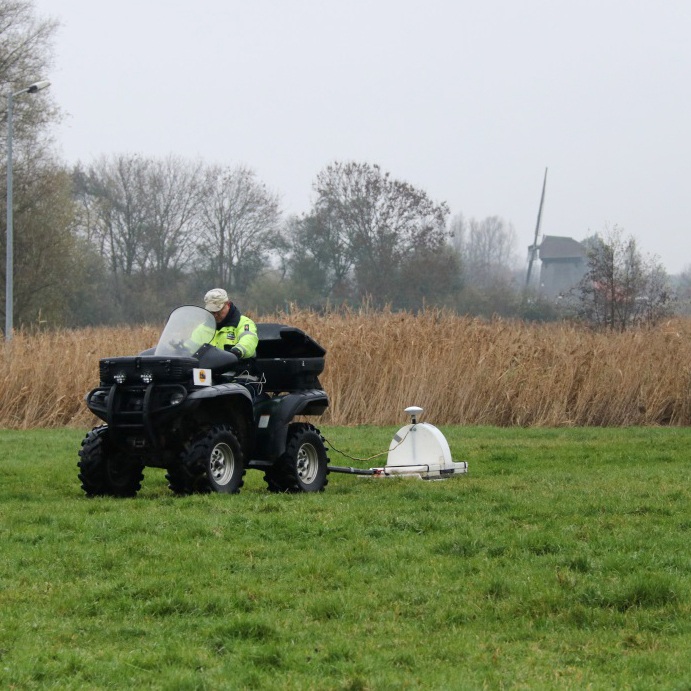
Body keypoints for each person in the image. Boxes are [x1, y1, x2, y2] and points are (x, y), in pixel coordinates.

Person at [203, 288, 258, 360]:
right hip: (208, 369)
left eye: (218, 311)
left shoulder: (244, 323)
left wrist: (237, 351)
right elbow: (191, 345)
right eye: (212, 312)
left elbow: (249, 340)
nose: (215, 315)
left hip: (236, 368)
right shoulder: (203, 327)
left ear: (228, 305)